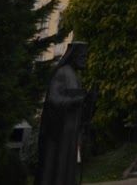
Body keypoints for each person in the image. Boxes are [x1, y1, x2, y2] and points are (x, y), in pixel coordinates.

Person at [35, 41, 89, 185]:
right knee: (57, 167)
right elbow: (54, 99)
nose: (85, 60)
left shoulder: (74, 76)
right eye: (83, 56)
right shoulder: (62, 72)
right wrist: (77, 99)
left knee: (66, 168)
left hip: (70, 132)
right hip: (60, 132)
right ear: (74, 55)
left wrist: (89, 100)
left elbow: (78, 102)